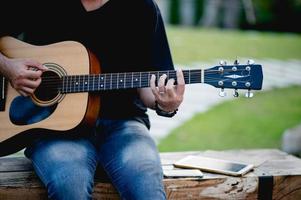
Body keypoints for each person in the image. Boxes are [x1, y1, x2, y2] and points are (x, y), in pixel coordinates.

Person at [0, 0, 185, 199]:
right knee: (69, 183)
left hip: (123, 124)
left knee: (146, 186)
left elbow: (149, 87)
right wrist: (8, 67)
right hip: (51, 128)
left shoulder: (141, 7)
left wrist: (166, 104)